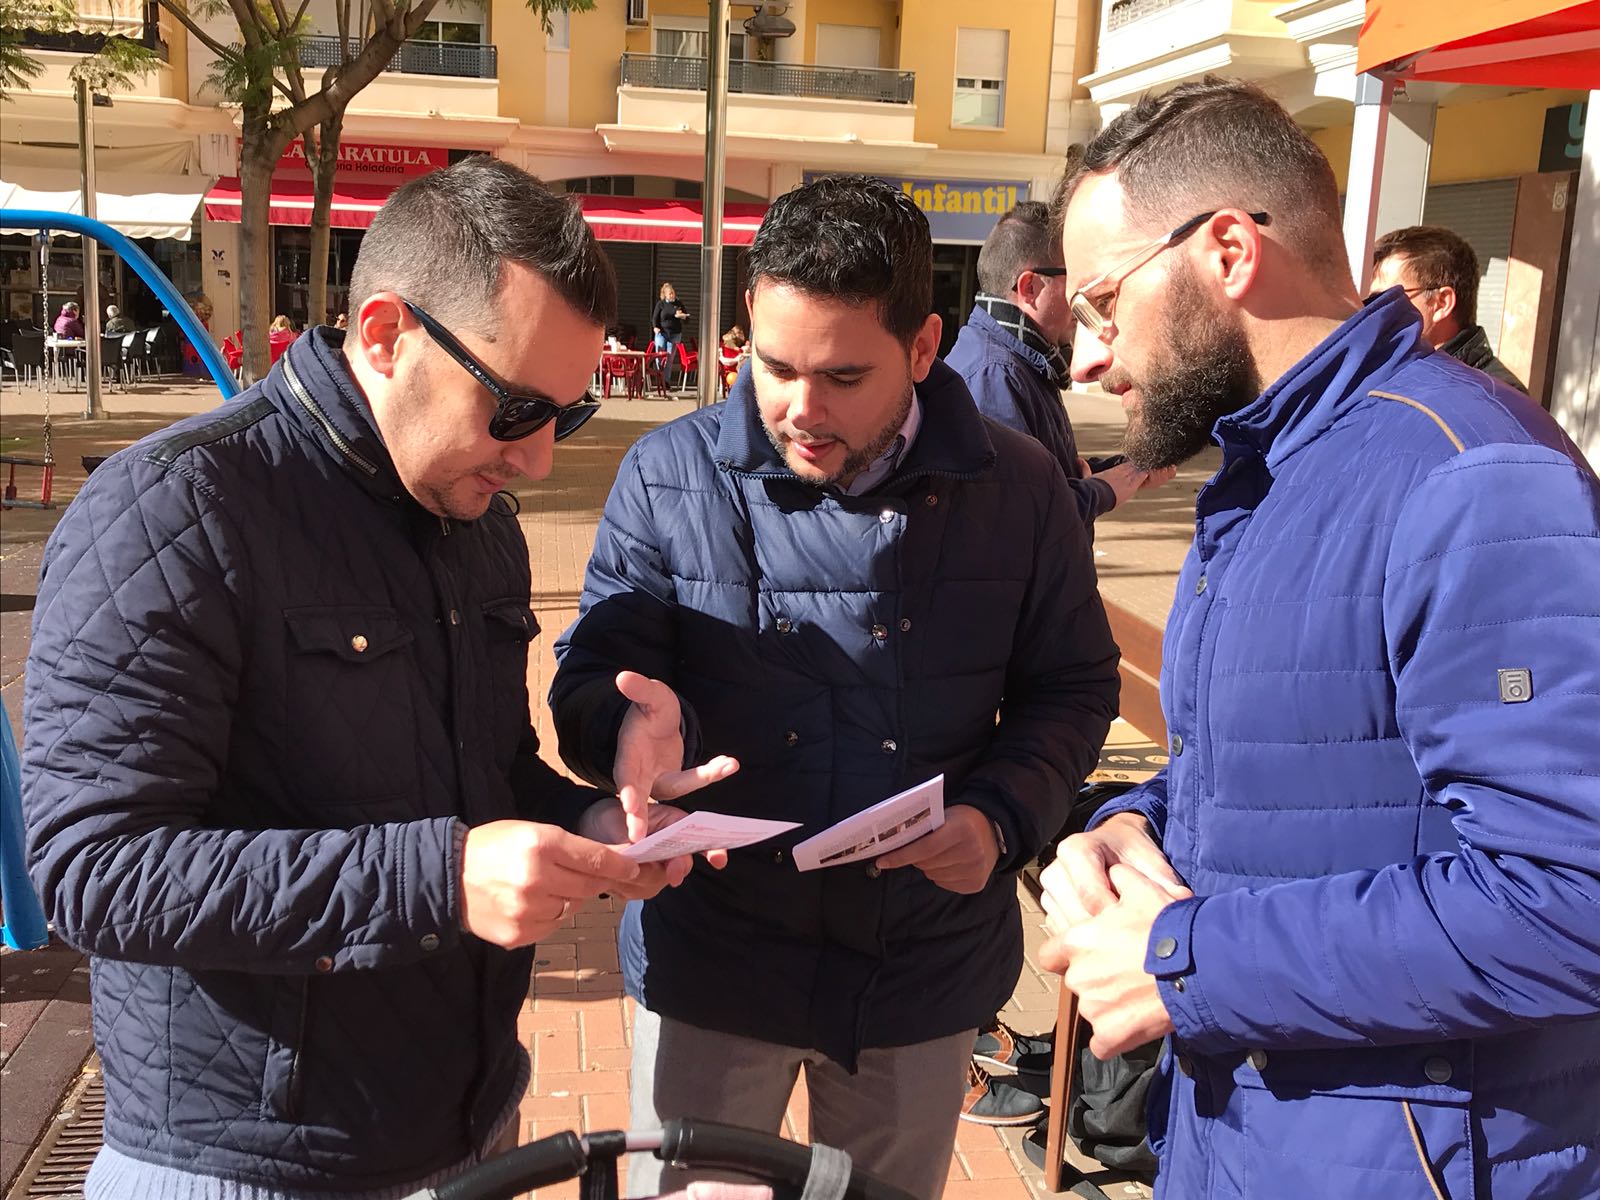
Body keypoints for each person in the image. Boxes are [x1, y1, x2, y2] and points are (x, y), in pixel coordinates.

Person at [22, 156, 710, 1199]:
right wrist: (440, 878)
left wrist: (595, 822)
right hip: (245, 1162)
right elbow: (95, 871)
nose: (535, 460)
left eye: (564, 420)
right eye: (516, 408)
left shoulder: (482, 532)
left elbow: (488, 769)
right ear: (385, 335)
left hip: (468, 1125)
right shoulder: (172, 511)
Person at [1038, 77, 1600, 1199]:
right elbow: (1300, 772)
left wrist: (1186, 963)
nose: (1088, 358)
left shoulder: (1467, 477)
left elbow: (1568, 898)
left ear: (1228, 250)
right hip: (1253, 1138)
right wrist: (1126, 832)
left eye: (1104, 303)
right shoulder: (1272, 470)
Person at [551, 174, 1121, 1200]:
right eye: (773, 366)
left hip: (922, 968)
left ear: (922, 347)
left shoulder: (1022, 486)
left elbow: (1073, 687)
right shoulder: (665, 472)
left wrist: (997, 818)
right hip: (714, 962)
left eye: (843, 376)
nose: (799, 410)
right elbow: (594, 663)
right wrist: (619, 726)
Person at [946, 201, 1173, 531]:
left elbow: (1042, 481)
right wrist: (1103, 490)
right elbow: (1017, 521)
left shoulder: (1018, 363)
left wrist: (1120, 471)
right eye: (1074, 284)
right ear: (1030, 288)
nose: (1082, 299)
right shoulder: (994, 374)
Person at [1370, 224, 1527, 392]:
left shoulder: (1497, 396)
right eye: (1368, 300)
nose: (1370, 311)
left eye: (1383, 298)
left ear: (1441, 303)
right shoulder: (1390, 372)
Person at [651, 281, 690, 388]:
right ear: (665, 294)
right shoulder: (661, 304)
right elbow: (655, 318)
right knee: (659, 356)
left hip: (675, 334)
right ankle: (659, 379)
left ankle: (666, 381)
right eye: (670, 294)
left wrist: (683, 317)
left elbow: (687, 318)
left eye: (673, 293)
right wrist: (655, 327)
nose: (672, 295)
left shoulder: (678, 303)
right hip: (662, 333)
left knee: (669, 358)